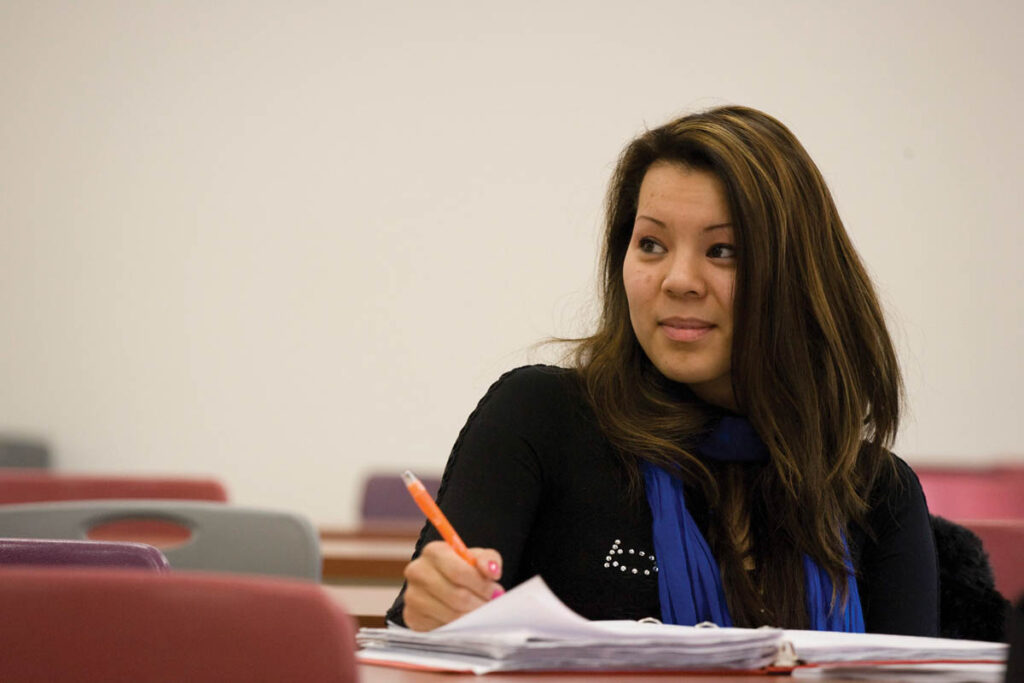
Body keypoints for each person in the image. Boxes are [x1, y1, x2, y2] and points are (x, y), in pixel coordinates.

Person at [387, 105, 939, 635]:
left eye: (723, 251)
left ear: (797, 277)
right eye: (651, 244)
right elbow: (424, 639)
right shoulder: (540, 420)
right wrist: (432, 612)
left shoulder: (877, 494)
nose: (678, 280)